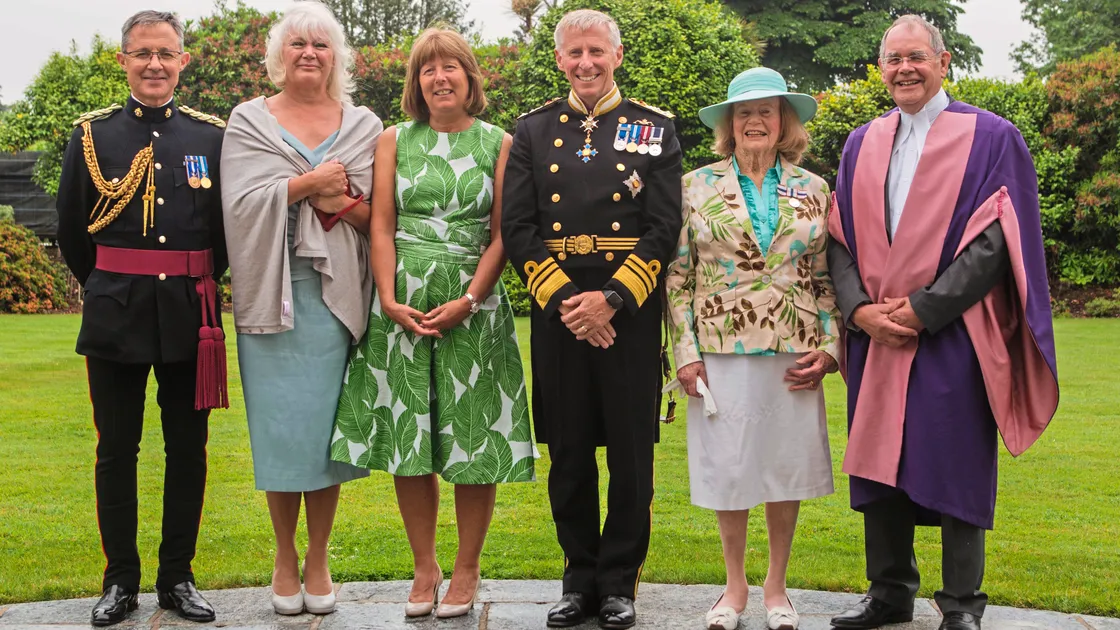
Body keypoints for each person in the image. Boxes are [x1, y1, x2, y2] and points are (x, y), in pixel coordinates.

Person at [826, 15, 1059, 630]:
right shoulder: (862, 142)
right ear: (880, 69)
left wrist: (926, 308)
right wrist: (860, 311)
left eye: (916, 57)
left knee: (956, 458)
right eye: (892, 60)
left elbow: (997, 240)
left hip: (956, 332)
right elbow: (838, 236)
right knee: (879, 463)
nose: (904, 69)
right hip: (877, 333)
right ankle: (889, 593)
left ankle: (961, 604)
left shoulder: (990, 137)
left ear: (943, 60)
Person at [327, 26, 534, 619]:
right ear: (417, 83)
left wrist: (470, 299)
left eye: (451, 67)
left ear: (471, 77)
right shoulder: (394, 140)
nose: (440, 78)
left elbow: (503, 234)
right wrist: (388, 299)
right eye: (427, 70)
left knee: (474, 440)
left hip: (475, 308)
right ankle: (425, 568)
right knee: (409, 438)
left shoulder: (501, 142)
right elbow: (382, 225)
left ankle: (467, 569)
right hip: (402, 309)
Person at [501, 10, 683, 629]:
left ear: (617, 55)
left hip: (625, 314)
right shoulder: (531, 131)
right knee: (570, 449)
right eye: (575, 52)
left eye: (597, 51)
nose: (586, 62)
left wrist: (610, 300)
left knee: (632, 452)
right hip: (558, 314)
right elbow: (518, 228)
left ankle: (619, 583)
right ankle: (578, 578)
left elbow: (663, 228)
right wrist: (565, 303)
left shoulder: (653, 128)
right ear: (559, 59)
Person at [55, 9, 226, 626]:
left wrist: (194, 282)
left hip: (190, 315)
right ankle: (120, 580)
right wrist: (108, 287)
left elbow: (223, 236)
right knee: (116, 450)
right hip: (116, 315)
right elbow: (75, 232)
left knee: (189, 450)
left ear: (184, 60)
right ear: (123, 60)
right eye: (142, 53)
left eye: (166, 53)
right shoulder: (91, 135)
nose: (155, 64)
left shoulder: (211, 137)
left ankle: (177, 577)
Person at [219, 1, 380, 617]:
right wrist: (310, 185)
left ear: (337, 56)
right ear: (277, 55)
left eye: (320, 44)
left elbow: (376, 218)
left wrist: (336, 200)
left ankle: (319, 556)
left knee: (324, 436)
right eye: (297, 44)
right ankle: (284, 556)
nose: (308, 53)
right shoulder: (247, 121)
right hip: (271, 294)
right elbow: (238, 206)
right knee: (282, 433)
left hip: (337, 300)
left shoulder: (364, 125)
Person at [666, 67, 840, 630]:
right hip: (719, 347)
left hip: (795, 348)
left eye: (767, 111)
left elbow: (823, 274)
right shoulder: (694, 185)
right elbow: (678, 276)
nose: (755, 121)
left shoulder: (814, 189)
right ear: (729, 124)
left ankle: (777, 588)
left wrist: (832, 346)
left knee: (785, 466)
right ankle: (734, 588)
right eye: (744, 112)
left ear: (784, 120)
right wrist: (685, 353)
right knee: (732, 466)